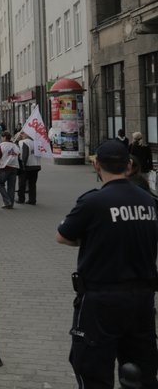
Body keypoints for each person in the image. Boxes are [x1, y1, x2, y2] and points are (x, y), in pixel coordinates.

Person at [56, 140, 158, 388]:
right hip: (142, 299)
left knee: (93, 370)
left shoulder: (93, 202)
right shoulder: (149, 201)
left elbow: (63, 236)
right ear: (129, 165)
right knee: (142, 371)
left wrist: (96, 238)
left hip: (100, 300)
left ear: (96, 165)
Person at [0, 131, 19, 208]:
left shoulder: (1, 146)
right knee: (11, 187)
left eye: (2, 137)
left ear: (5, 137)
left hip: (4, 168)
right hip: (14, 167)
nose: (1, 139)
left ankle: (7, 201)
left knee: (0, 184)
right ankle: (10, 204)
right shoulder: (15, 146)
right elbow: (19, 154)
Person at [17, 132, 41, 205]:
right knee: (32, 184)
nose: (21, 135)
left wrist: (23, 164)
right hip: (36, 165)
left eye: (22, 134)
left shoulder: (22, 142)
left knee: (22, 183)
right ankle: (32, 200)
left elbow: (25, 153)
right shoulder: (37, 143)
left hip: (27, 165)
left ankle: (21, 199)